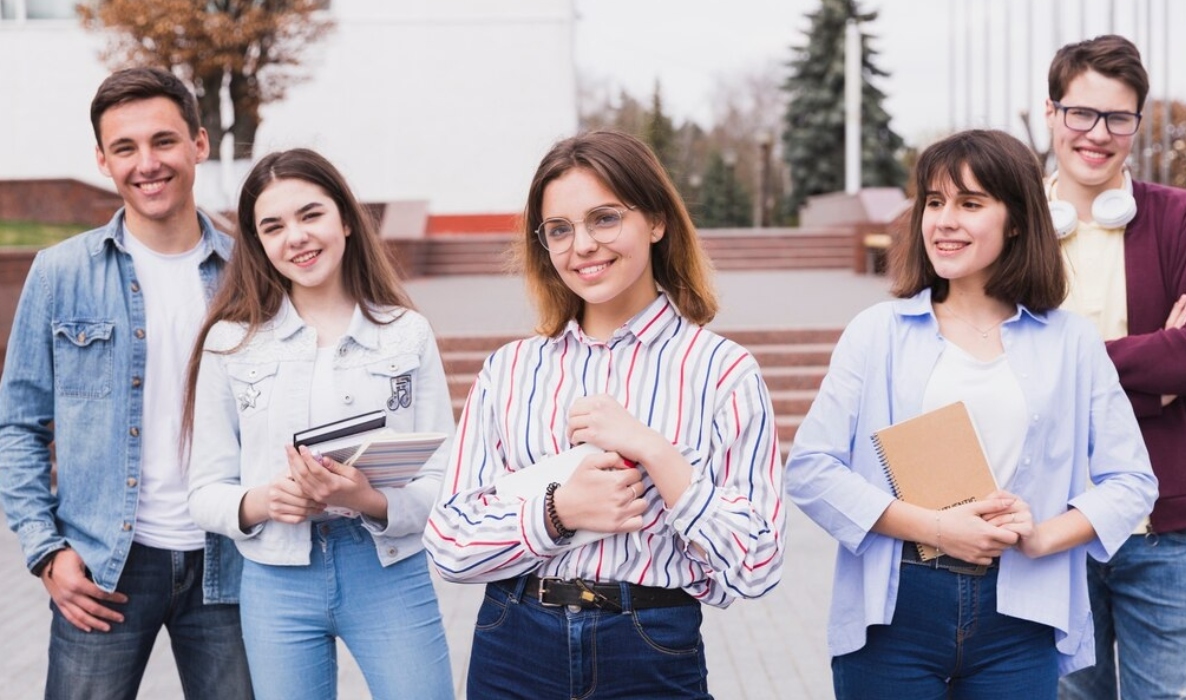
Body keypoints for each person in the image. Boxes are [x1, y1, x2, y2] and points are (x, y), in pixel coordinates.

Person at [786, 129, 1157, 699]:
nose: (944, 220)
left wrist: (1043, 535)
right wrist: (939, 529)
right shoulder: (877, 333)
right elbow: (811, 469)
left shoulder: (1071, 341)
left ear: (1016, 220)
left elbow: (1132, 480)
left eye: (970, 203)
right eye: (934, 202)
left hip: (1021, 617)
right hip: (895, 612)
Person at [423, 130, 786, 699]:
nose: (583, 245)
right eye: (560, 230)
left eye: (605, 218)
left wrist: (658, 455)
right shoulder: (510, 370)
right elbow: (448, 541)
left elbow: (757, 563)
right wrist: (556, 511)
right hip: (513, 641)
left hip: (649, 646)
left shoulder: (722, 371)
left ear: (657, 221)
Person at [0, 67, 253, 699]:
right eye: (125, 148)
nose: (148, 163)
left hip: (233, 559)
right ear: (102, 160)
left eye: (163, 141)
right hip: (103, 563)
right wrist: (45, 551)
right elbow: (18, 423)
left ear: (198, 143)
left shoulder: (252, 270)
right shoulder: (60, 273)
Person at [182, 147, 454, 699]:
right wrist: (263, 502)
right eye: (273, 226)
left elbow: (446, 480)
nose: (296, 237)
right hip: (276, 579)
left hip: (387, 571)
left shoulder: (406, 333)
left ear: (346, 220)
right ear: (257, 244)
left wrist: (370, 500)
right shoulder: (231, 343)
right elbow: (204, 492)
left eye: (311, 215)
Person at [1045, 35, 1186, 700]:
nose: (1098, 134)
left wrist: (1066, 366)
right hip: (1050, 530)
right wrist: (1150, 379)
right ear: (1052, 114)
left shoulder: (1184, 217)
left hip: (1167, 535)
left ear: (1137, 123)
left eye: (1118, 118)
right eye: (1082, 113)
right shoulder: (1006, 224)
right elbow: (997, 372)